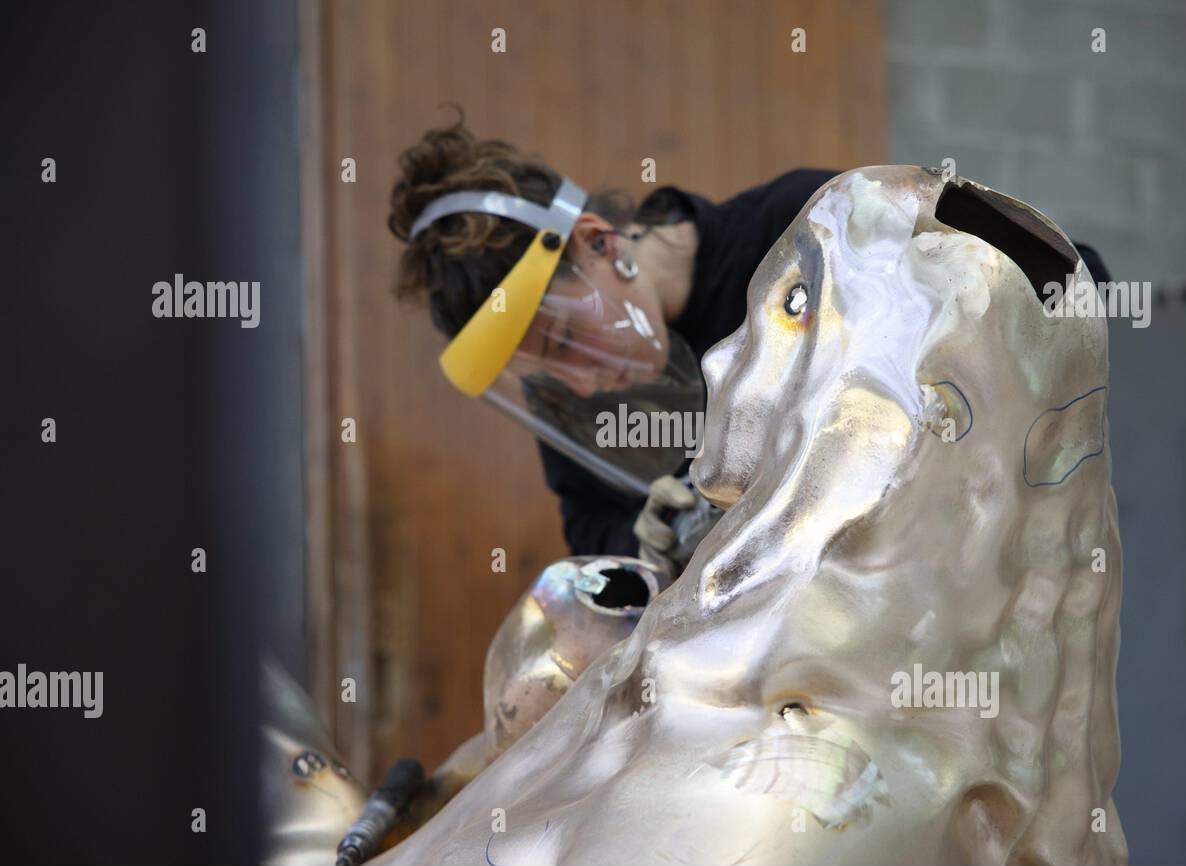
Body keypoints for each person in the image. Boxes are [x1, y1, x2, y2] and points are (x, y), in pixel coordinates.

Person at [388, 108, 1111, 577]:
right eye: (543, 372)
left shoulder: (797, 231)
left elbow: (1071, 281)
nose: (577, 382)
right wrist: (644, 540)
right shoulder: (583, 403)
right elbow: (592, 536)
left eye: (564, 338)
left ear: (599, 242)